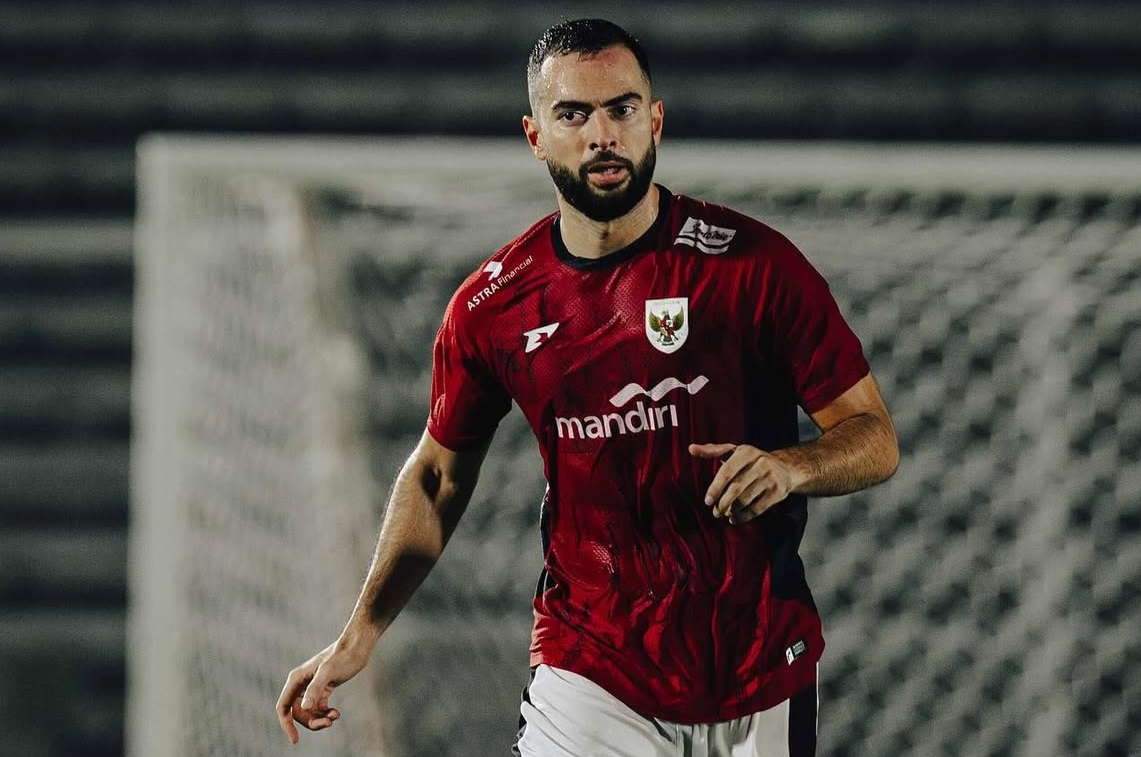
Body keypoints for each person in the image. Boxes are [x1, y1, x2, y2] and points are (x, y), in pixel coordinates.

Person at [277, 17, 899, 756]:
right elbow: (438, 475)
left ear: (654, 119)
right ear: (535, 136)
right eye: (573, 114)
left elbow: (874, 437)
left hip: (757, 665)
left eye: (621, 109)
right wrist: (358, 635)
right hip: (590, 672)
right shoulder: (492, 306)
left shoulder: (754, 268)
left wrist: (792, 465)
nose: (602, 135)